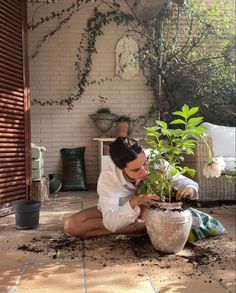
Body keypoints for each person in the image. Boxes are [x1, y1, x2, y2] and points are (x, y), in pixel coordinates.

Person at [63, 137, 198, 237]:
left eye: (144, 163)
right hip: (122, 208)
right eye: (136, 170)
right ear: (120, 168)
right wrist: (134, 202)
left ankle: (143, 223)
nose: (145, 171)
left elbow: (183, 181)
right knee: (71, 225)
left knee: (91, 227)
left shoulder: (154, 158)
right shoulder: (108, 177)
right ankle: (139, 227)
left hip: (151, 208)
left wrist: (189, 189)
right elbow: (110, 222)